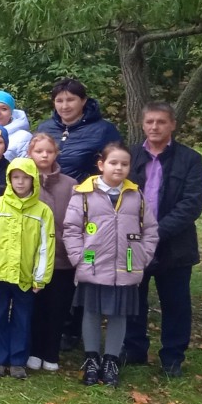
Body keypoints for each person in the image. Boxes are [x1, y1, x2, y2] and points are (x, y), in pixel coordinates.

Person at [124, 102, 202, 378]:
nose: (155, 127)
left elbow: (191, 204)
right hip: (133, 242)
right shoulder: (129, 156)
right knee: (133, 298)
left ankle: (172, 357)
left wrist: (156, 233)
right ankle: (133, 348)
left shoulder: (190, 159)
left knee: (176, 303)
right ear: (142, 124)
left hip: (174, 243)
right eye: (150, 122)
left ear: (172, 125)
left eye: (161, 122)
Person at [67, 143, 158, 388]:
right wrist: (79, 259)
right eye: (113, 163)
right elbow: (71, 229)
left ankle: (111, 360)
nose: (119, 168)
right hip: (93, 267)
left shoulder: (136, 196)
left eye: (124, 164)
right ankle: (91, 359)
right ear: (101, 165)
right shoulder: (84, 195)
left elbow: (150, 230)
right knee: (91, 312)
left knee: (119, 314)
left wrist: (142, 257)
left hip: (124, 268)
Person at [0, 157, 55, 379]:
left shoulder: (42, 211)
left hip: (26, 276)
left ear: (34, 180)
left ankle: (18, 360)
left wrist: (41, 277)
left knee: (23, 317)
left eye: (25, 178)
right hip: (0, 274)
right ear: (9, 179)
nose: (20, 182)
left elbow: (45, 246)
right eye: (16, 177)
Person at [26, 132, 78, 372]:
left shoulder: (70, 185)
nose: (44, 155)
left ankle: (51, 352)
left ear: (56, 153)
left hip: (62, 259)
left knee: (58, 307)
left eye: (49, 151)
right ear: (30, 153)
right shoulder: (24, 181)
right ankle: (34, 350)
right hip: (32, 259)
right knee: (36, 307)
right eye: (39, 151)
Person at [36, 78, 124, 181]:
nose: (64, 106)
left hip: (87, 190)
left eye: (70, 100)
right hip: (46, 189)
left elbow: (120, 165)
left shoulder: (104, 130)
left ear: (83, 101)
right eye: (59, 101)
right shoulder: (44, 128)